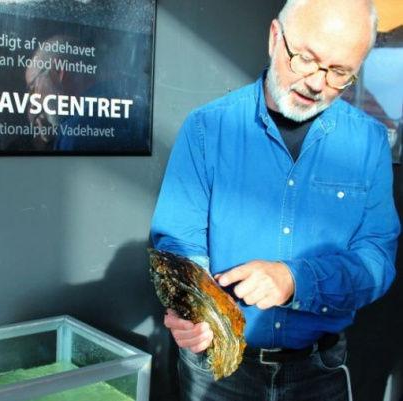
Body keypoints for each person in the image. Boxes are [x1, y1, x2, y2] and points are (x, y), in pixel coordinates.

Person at [150, 0, 400, 400]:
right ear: (274, 38)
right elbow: (180, 242)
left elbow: (376, 261)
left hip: (319, 371)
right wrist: (193, 309)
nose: (317, 83)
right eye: (306, 59)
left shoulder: (368, 142)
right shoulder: (207, 128)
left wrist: (295, 280)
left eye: (339, 73)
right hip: (218, 368)